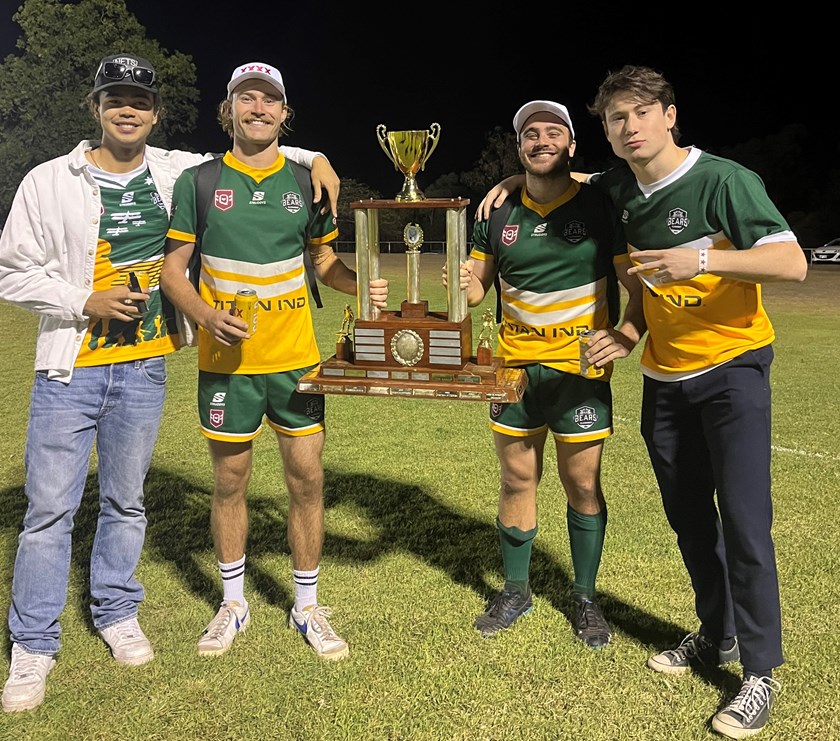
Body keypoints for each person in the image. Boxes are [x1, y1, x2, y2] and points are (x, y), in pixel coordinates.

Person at [0, 52, 338, 713]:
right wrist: (81, 299)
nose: (128, 109)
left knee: (127, 502)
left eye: (141, 101)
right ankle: (33, 646)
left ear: (156, 114)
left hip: (145, 365)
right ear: (95, 108)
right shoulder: (48, 180)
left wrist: (317, 156)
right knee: (47, 514)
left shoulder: (175, 168)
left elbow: (259, 144)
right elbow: (10, 270)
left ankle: (117, 612)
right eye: (115, 98)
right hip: (70, 364)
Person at [477, 66, 807, 738]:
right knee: (688, 520)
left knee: (744, 523)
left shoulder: (723, 180)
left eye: (640, 114)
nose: (629, 128)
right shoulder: (621, 188)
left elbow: (792, 262)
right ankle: (715, 634)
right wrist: (512, 180)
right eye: (615, 120)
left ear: (669, 115)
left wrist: (707, 263)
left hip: (732, 370)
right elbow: (558, 178)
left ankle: (759, 673)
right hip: (665, 377)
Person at [161, 61, 388, 662]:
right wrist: (206, 317)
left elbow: (323, 263)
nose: (259, 108)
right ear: (229, 109)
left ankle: (307, 605)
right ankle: (233, 602)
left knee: (306, 481)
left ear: (286, 113)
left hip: (296, 361)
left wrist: (361, 285)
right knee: (230, 481)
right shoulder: (199, 182)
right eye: (247, 98)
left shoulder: (307, 180)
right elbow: (172, 271)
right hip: (226, 362)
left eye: (270, 101)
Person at [446, 101, 644, 648]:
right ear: (519, 148)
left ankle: (584, 596)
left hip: (581, 373)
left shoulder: (602, 205)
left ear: (572, 145)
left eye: (553, 132)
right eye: (530, 134)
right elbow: (477, 288)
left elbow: (636, 288)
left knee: (581, 483)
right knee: (516, 480)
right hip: (512, 374)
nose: (541, 140)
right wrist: (459, 278)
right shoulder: (498, 212)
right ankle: (516, 590)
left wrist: (627, 335)